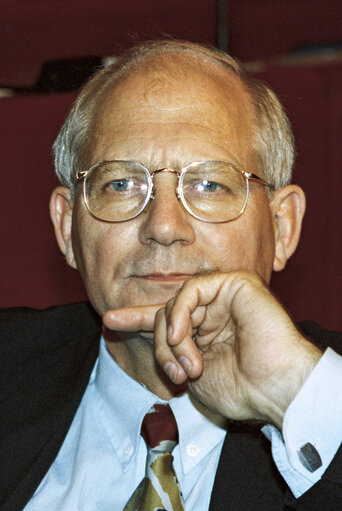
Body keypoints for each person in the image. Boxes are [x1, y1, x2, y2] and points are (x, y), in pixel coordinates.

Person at [1, 40, 341, 511]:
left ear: (282, 228)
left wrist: (295, 398)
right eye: (121, 184)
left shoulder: (324, 398)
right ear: (66, 226)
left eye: (209, 185)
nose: (163, 226)